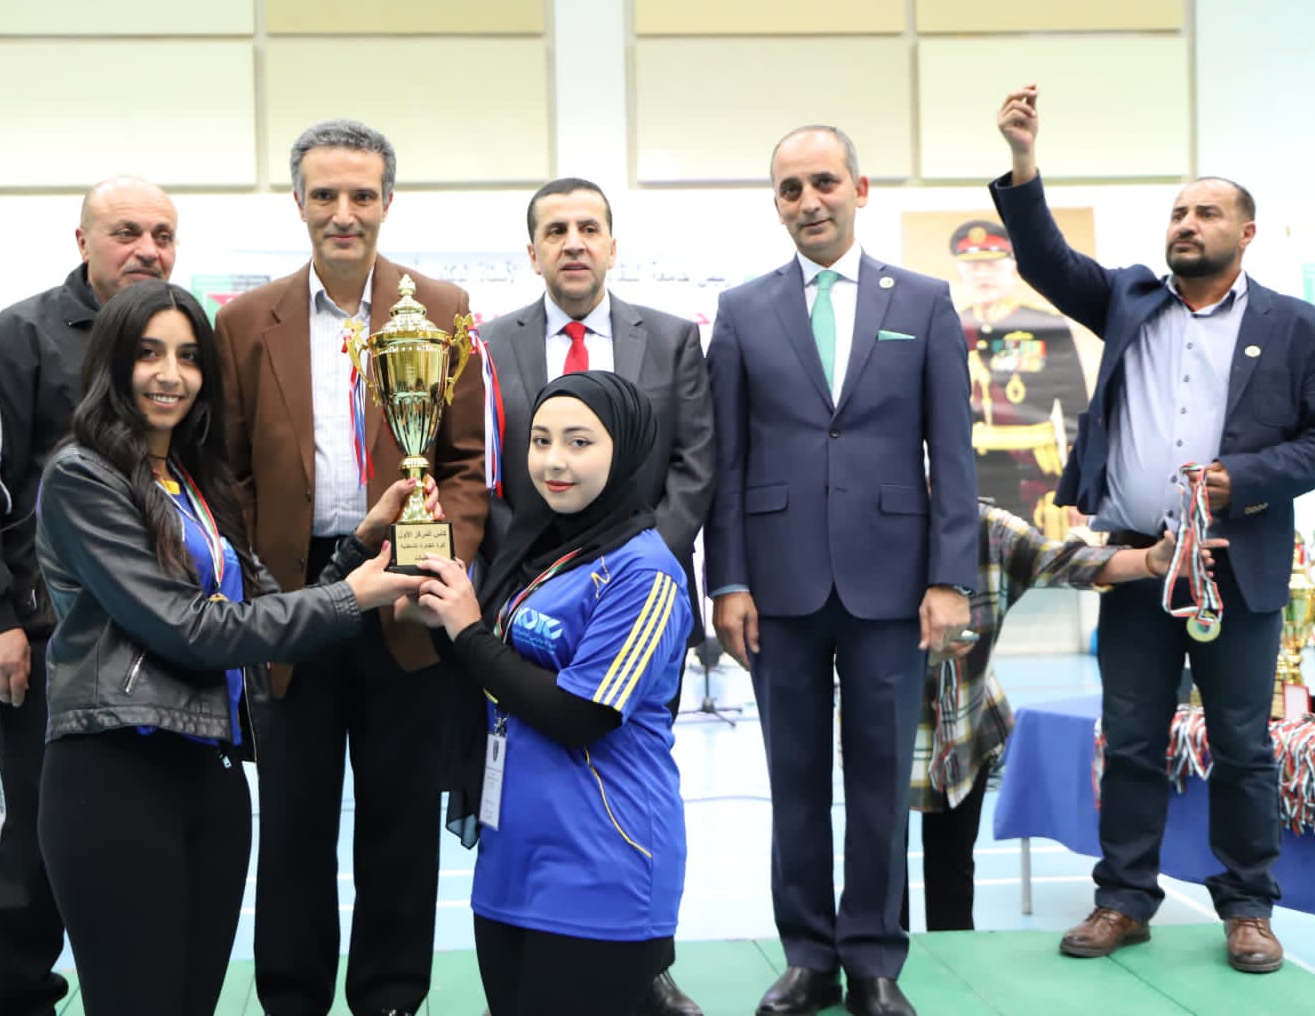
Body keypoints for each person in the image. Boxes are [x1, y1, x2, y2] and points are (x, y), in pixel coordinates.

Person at [992, 84, 1315, 973]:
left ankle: (1249, 909)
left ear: (1246, 233)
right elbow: (1044, 260)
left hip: (1237, 565)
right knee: (1132, 740)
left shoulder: (1298, 328)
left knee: (1244, 746)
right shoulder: (1129, 300)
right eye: (1179, 212)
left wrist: (1244, 480)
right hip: (1140, 564)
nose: (1187, 223)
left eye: (1206, 212)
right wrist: (1024, 161)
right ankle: (1123, 900)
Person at [32, 281, 424, 1016]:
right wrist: (354, 597)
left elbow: (263, 614)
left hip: (208, 775)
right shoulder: (82, 477)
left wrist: (360, 544)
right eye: (148, 354)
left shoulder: (195, 482)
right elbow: (187, 629)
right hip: (115, 775)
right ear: (113, 364)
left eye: (188, 356)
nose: (170, 374)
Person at [214, 119, 488, 1016]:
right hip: (293, 605)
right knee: (293, 826)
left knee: (400, 824)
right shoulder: (243, 322)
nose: (344, 213)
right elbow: (229, 473)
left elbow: (463, 464)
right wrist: (261, 590)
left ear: (387, 203)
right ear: (298, 202)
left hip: (404, 603)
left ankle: (391, 997)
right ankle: (292, 998)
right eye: (325, 195)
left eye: (361, 195)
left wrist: (436, 563)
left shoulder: (441, 308)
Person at [705, 125, 977, 1016]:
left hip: (891, 582)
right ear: (776, 204)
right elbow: (727, 463)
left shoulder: (925, 302)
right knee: (792, 782)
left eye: (823, 182)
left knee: (878, 781)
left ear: (860, 189)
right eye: (790, 189)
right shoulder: (742, 311)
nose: (808, 201)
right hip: (775, 585)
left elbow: (953, 452)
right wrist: (727, 580)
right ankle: (808, 958)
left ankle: (872, 960)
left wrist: (950, 576)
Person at [0, 175, 178, 1015]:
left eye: (162, 235)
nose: (146, 250)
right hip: (49, 649)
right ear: (83, 241)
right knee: (34, 854)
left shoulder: (182, 341)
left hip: (167, 640)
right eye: (125, 232)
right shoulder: (18, 338)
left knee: (149, 844)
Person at [478, 176, 714, 1016]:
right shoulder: (489, 343)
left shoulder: (672, 339)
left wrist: (629, 560)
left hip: (624, 591)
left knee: (615, 744)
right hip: (530, 584)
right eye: (555, 230)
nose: (556, 461)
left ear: (612, 243)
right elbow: (487, 474)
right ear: (532, 249)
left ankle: (638, 961)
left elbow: (693, 464)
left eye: (588, 227)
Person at [413, 370, 692, 1016]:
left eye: (578, 442)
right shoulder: (536, 554)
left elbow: (580, 714)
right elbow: (488, 675)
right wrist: (444, 620)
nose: (553, 461)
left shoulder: (646, 573)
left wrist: (468, 631)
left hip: (602, 868)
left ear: (626, 450)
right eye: (540, 441)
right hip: (511, 862)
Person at [902, 503, 1223, 933]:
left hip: (966, 728)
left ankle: (954, 963)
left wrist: (1152, 559)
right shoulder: (859, 525)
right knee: (880, 878)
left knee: (954, 875)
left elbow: (1066, 561)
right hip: (881, 733)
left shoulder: (988, 529)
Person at [950, 219, 1090, 537]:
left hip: (1033, 467)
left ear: (1013, 269)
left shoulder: (1043, 325)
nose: (982, 275)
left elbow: (1077, 406)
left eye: (991, 265)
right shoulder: (951, 325)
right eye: (973, 267)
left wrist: (1080, 481)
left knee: (1036, 552)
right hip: (970, 467)